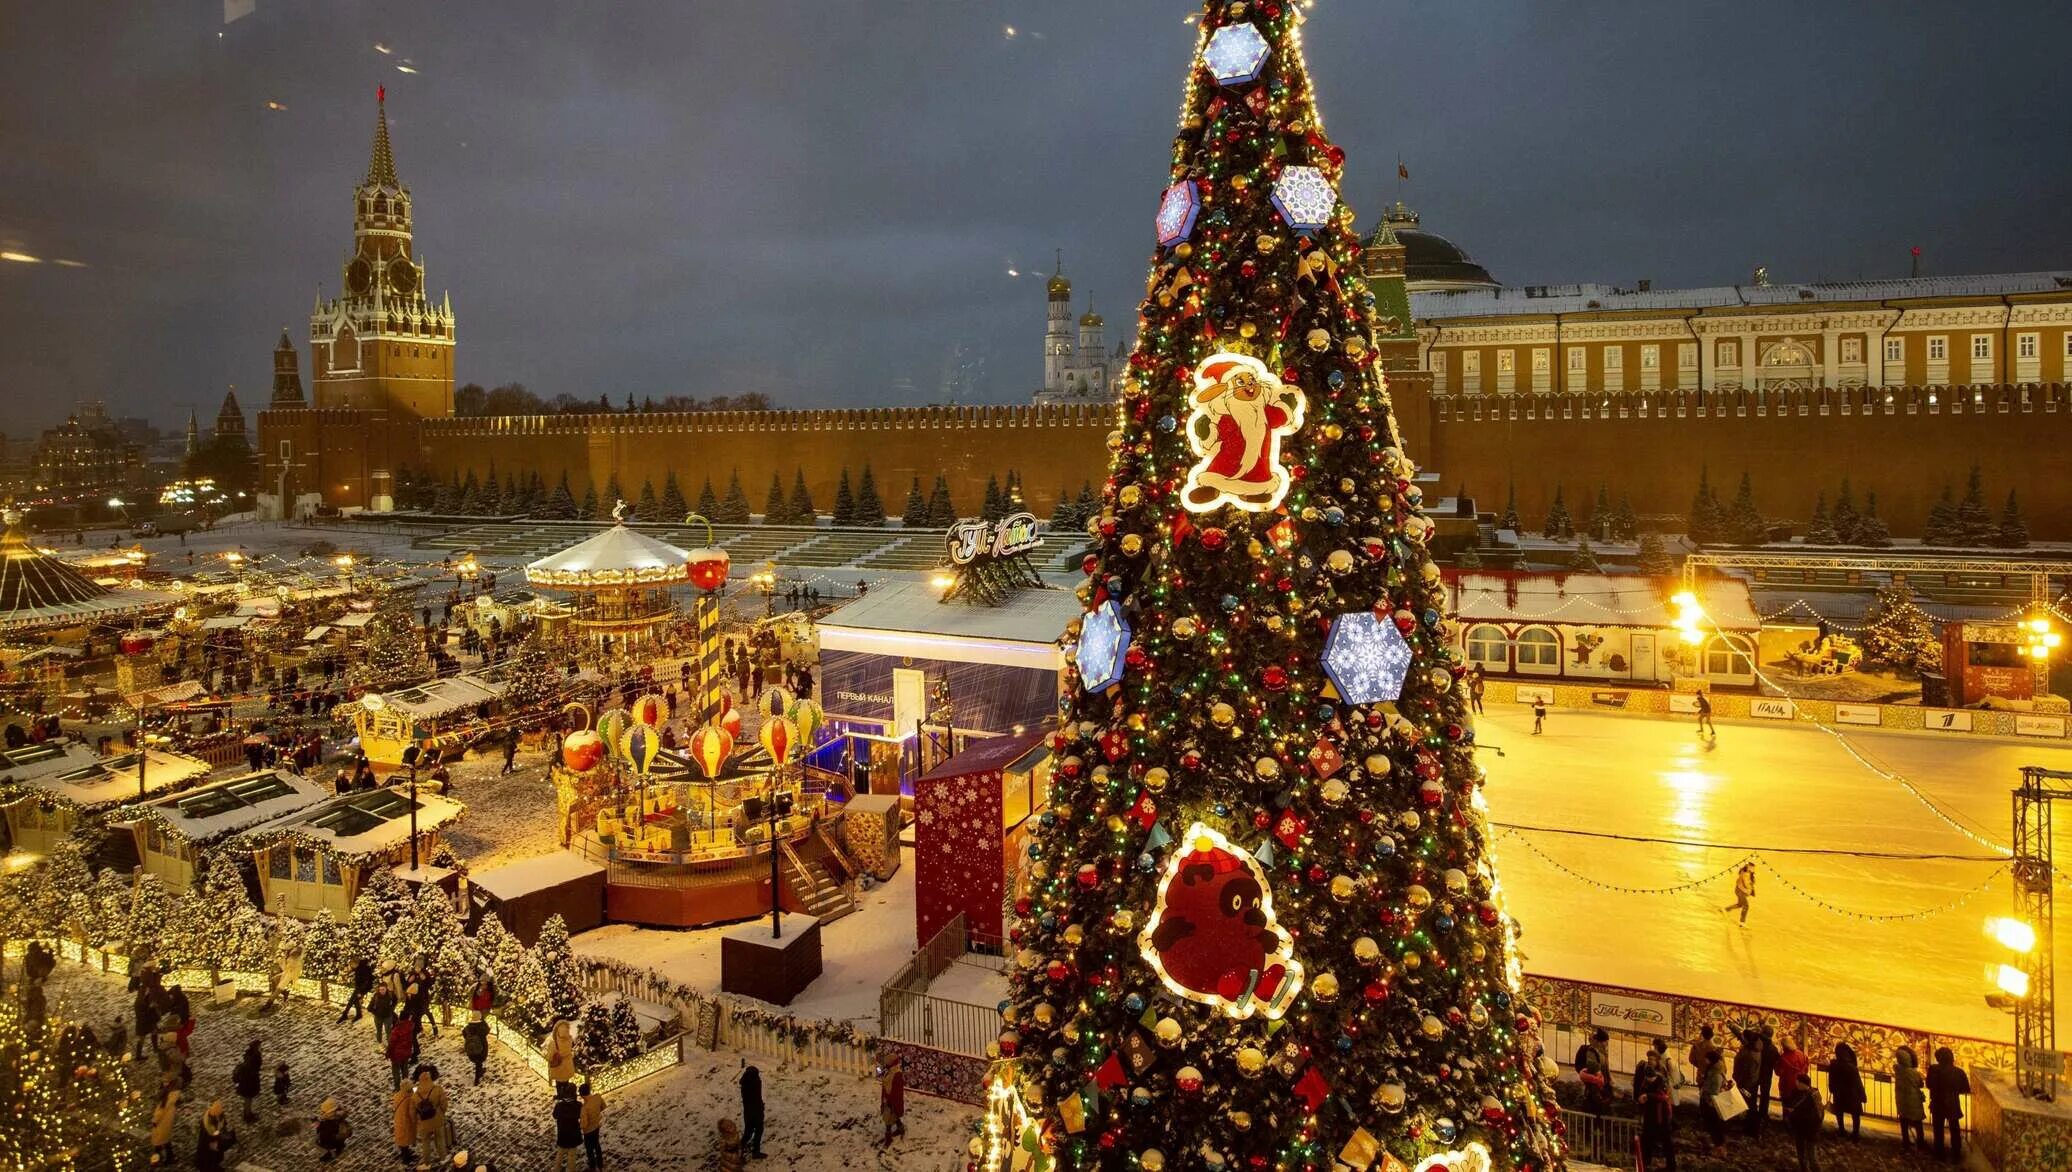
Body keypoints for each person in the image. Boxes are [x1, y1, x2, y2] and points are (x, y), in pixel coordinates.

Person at [1927, 1045, 1970, 1161]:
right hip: (1953, 1103)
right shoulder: (1959, 1072)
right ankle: (1956, 1153)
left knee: (1938, 1129)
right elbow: (1965, 1089)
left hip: (1937, 1103)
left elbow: (1929, 1084)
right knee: (1954, 1129)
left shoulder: (1933, 1069)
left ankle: (1939, 1152)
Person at [1635, 1060, 1676, 1172]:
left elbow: (1663, 1097)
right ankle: (1645, 1162)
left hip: (1662, 1118)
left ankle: (1671, 1166)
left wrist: (1648, 1096)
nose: (1649, 1080)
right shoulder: (1646, 1082)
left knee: (1667, 1143)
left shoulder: (1661, 1082)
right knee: (1646, 1141)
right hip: (1650, 1117)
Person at [1826, 1042, 1865, 1137]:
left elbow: (1831, 1079)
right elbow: (1857, 1082)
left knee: (1839, 1112)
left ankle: (1841, 1130)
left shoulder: (1834, 1065)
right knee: (1855, 1115)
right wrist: (1862, 1094)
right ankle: (1855, 1133)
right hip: (1852, 1094)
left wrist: (1832, 1089)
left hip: (1839, 1093)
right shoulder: (1851, 1067)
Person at [1697, 1047, 1730, 1158]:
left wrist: (1707, 1096)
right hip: (1709, 1102)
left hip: (1712, 1105)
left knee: (1715, 1126)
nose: (1705, 1060)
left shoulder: (1716, 1074)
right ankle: (1718, 1146)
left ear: (1711, 1060)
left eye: (1706, 1059)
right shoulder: (1713, 1069)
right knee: (1713, 1126)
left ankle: (1720, 1148)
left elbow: (1714, 1091)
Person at [1786, 1079, 1824, 1172]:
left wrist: (1794, 1113)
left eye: (1798, 1082)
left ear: (1803, 1084)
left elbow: (1816, 1116)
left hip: (1809, 1130)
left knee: (1811, 1156)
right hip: (1801, 1130)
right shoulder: (1798, 1093)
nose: (1796, 1083)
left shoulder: (1811, 1096)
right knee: (1802, 1155)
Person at [416, 1066, 451, 1164]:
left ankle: (427, 1161)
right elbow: (444, 1104)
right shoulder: (437, 1089)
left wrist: (417, 1119)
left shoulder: (416, 1094)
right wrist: (441, 1112)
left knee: (425, 1141)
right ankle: (443, 1157)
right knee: (440, 1138)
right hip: (437, 1119)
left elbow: (414, 1109)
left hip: (424, 1122)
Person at [1732, 1029, 1764, 1137]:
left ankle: (1752, 1129)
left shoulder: (1749, 1054)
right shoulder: (1755, 1049)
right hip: (1751, 1083)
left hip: (1746, 1084)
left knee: (1749, 1105)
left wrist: (1739, 1080)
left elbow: (1745, 1070)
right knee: (1750, 1104)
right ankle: (1750, 1127)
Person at [1893, 1045, 1926, 1148]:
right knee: (1917, 1122)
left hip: (1901, 1100)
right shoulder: (1914, 1073)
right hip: (1914, 1100)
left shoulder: (1897, 1069)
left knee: (1904, 1121)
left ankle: (1906, 1141)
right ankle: (1920, 1142)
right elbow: (1920, 1084)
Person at [552, 1081, 585, 1171]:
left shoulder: (559, 1105)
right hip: (573, 1133)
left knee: (560, 1152)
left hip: (562, 1132)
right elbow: (580, 1115)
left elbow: (554, 1115)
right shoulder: (578, 1105)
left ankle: (556, 1169)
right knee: (572, 1154)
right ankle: (570, 1169)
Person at [196, 1100, 234, 1172]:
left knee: (216, 1156)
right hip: (208, 1143)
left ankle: (215, 1166)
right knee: (207, 1158)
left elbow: (223, 1125)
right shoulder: (207, 1122)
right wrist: (214, 1139)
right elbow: (208, 1135)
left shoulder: (220, 1115)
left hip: (215, 1140)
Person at [149, 1084, 182, 1167]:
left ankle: (157, 1160)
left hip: (161, 1125)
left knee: (158, 1143)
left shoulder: (164, 1101)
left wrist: (154, 1120)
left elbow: (159, 1113)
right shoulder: (173, 1099)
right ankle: (169, 1158)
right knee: (166, 1141)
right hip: (167, 1124)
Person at [232, 1039, 263, 1122]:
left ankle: (247, 1113)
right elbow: (256, 1067)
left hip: (245, 1080)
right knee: (248, 1098)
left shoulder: (248, 1055)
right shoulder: (255, 1056)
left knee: (247, 1098)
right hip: (249, 1081)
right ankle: (247, 1115)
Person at [740, 1063, 765, 1160]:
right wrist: (761, 1107)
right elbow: (757, 1098)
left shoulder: (745, 1083)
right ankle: (755, 1151)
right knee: (758, 1130)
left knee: (748, 1131)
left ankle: (740, 1149)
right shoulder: (755, 1082)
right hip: (756, 1111)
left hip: (748, 1112)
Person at [580, 1078, 606, 1170]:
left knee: (589, 1149)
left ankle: (592, 1166)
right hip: (596, 1126)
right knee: (597, 1145)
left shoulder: (584, 1108)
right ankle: (600, 1163)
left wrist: (580, 1125)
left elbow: (584, 1124)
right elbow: (603, 1106)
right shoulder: (598, 1097)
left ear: (582, 1095)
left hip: (588, 1131)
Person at [878, 1056, 905, 1147]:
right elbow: (879, 1074)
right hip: (887, 1098)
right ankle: (901, 1128)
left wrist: (891, 1100)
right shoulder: (888, 1072)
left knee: (888, 1120)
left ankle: (888, 1138)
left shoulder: (896, 1074)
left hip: (891, 1100)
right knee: (893, 1115)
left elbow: (896, 1091)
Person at [387, 1012, 418, 1091]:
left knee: (396, 1070)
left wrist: (388, 1052)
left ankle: (398, 1088)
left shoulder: (397, 1029)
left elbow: (392, 1043)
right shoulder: (410, 1026)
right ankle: (406, 1086)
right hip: (406, 1051)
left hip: (396, 1053)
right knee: (405, 1069)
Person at [392, 1079, 419, 1166]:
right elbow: (412, 1113)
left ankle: (405, 1153)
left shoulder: (397, 1095)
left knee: (401, 1138)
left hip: (398, 1119)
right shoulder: (409, 1099)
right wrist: (415, 1121)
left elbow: (394, 1106)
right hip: (405, 1122)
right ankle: (406, 1158)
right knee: (405, 1138)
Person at [315, 1097, 349, 1163]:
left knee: (328, 1141)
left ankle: (335, 1151)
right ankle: (338, 1146)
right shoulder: (334, 1117)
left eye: (325, 1112)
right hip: (337, 1133)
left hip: (336, 1136)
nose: (323, 1114)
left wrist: (320, 1128)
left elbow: (326, 1135)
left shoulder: (332, 1121)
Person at [546, 1019, 578, 1085]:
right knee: (566, 1083)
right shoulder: (569, 1040)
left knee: (559, 1085)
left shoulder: (553, 1043)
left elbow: (549, 1057)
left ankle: (561, 1094)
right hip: (567, 1067)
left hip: (558, 1068)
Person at [463, 1010, 491, 1085]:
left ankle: (480, 1072)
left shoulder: (467, 1027)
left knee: (477, 1062)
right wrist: (483, 1021)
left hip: (470, 1049)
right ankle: (477, 1078)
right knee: (479, 1061)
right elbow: (487, 1030)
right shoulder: (482, 1026)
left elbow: (464, 1034)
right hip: (481, 1048)